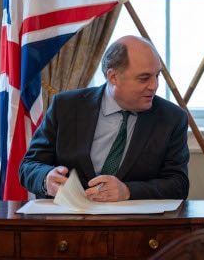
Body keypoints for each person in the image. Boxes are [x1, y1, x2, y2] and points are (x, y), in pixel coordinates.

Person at [19, 35, 189, 201]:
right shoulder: (66, 106)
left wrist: (128, 191)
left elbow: (178, 184)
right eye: (144, 78)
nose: (154, 86)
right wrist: (46, 177)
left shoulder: (171, 118)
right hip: (69, 221)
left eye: (157, 75)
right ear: (113, 77)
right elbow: (29, 166)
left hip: (135, 224)